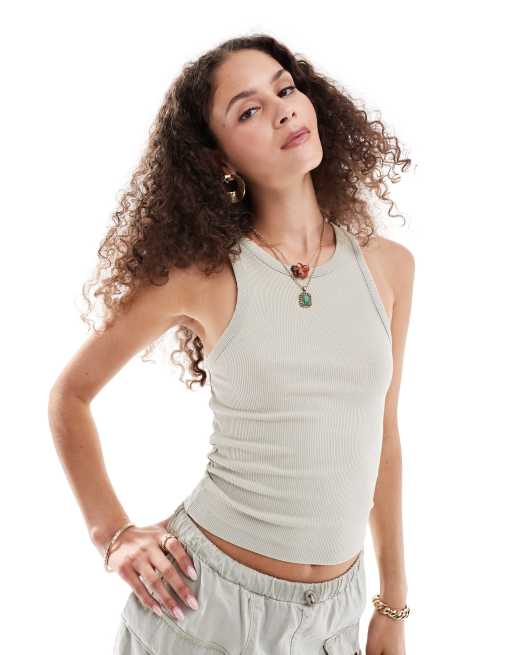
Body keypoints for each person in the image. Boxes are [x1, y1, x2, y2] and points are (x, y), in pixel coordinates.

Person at [48, 33, 415, 655]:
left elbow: (384, 434)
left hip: (334, 621)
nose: (282, 111)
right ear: (218, 159)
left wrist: (393, 605)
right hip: (204, 607)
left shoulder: (388, 267)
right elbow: (70, 395)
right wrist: (111, 533)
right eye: (248, 110)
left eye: (285, 89)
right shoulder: (203, 276)